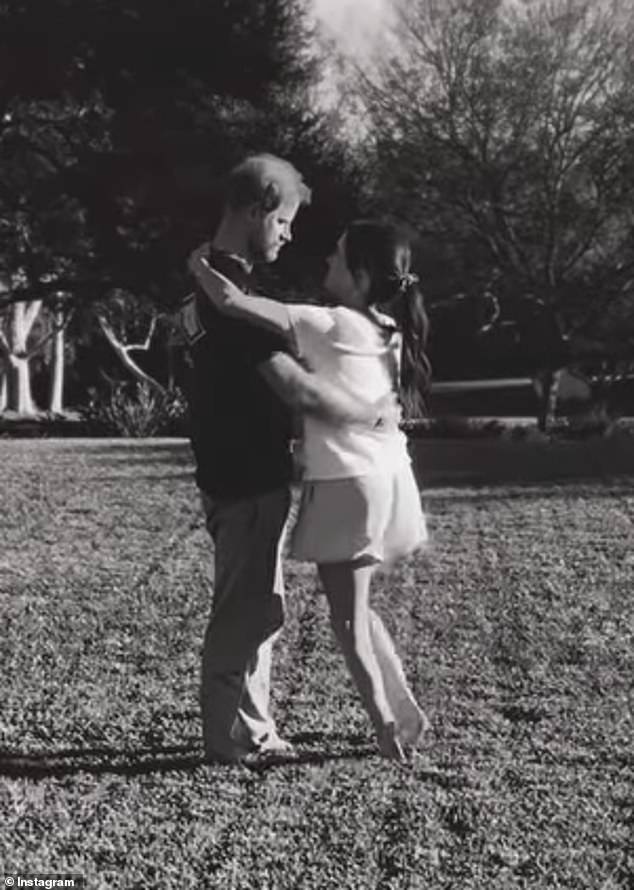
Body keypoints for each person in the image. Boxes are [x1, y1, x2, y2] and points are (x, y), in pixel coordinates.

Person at [180, 156, 400, 764]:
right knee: (247, 610)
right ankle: (227, 740)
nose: (289, 233)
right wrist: (367, 415)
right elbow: (297, 391)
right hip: (247, 476)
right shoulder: (232, 299)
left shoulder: (207, 285)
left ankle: (251, 731)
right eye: (282, 220)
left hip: (232, 469)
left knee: (257, 606)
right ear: (256, 209)